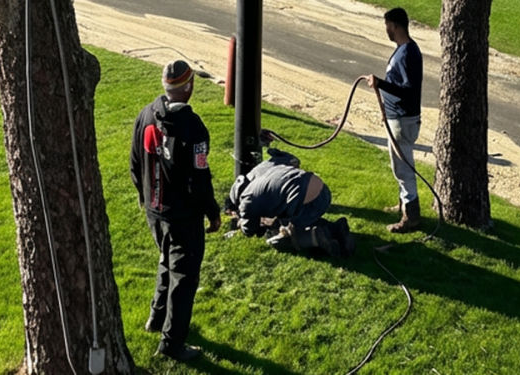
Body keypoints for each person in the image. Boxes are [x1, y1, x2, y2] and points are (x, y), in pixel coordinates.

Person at [131, 60, 221, 363]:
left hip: (155, 212)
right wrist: (212, 211)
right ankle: (171, 344)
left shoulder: (146, 114)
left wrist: (146, 198)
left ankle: (156, 318)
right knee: (184, 278)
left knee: (165, 260)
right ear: (189, 86)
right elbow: (199, 178)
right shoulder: (193, 129)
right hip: (182, 217)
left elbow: (134, 163)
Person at [225, 147, 354, 257]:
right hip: (323, 192)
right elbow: (292, 160)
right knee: (287, 214)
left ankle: (319, 235)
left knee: (277, 237)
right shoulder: (261, 169)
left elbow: (249, 230)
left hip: (308, 202)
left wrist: (241, 221)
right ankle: (335, 228)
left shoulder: (247, 199)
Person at [363, 6, 423, 233]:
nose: (386, 30)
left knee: (403, 169)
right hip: (397, 118)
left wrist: (380, 84)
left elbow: (408, 90)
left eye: (387, 26)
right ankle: (403, 206)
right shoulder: (403, 50)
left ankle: (411, 217)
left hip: (402, 120)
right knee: (399, 166)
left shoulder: (408, 54)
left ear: (395, 26)